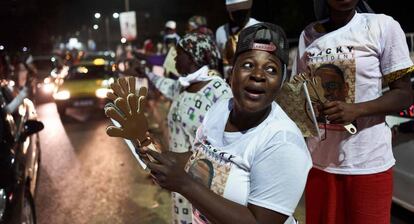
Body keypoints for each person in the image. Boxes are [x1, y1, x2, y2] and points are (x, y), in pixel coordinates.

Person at [142, 23, 312, 224]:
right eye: (248, 65)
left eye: (271, 69)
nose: (258, 75)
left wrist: (184, 183)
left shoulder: (282, 141)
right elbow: (201, 156)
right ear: (232, 72)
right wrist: (161, 158)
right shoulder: (221, 108)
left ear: (281, 81)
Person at [292, 0, 414, 223]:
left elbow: (405, 95)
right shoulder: (309, 35)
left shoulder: (382, 26)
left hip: (367, 163)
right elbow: (301, 94)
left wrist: (357, 109)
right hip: (319, 163)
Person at [144, 33, 232, 224]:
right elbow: (165, 85)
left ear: (194, 56)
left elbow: (226, 140)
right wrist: (145, 73)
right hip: (179, 178)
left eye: (179, 54)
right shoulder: (184, 86)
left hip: (203, 183)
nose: (174, 58)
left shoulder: (218, 90)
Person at [215, 0, 260, 80]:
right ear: (230, 13)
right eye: (236, 12)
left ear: (249, 10)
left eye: (244, 12)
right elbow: (219, 61)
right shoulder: (220, 31)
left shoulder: (259, 29)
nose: (241, 16)